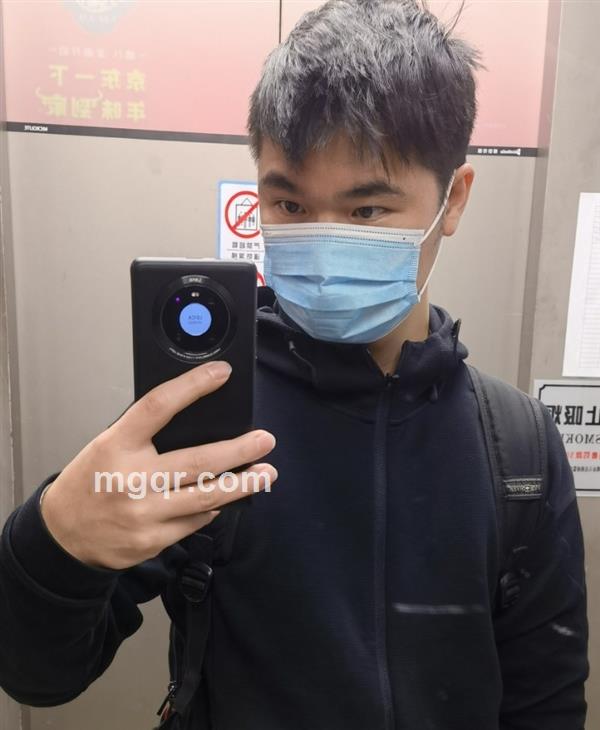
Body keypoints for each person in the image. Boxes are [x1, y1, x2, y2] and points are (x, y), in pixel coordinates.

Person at [0, 1, 589, 728]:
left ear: (455, 198)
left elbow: (546, 699)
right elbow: (39, 679)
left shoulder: (517, 448)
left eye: (367, 211)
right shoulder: (205, 417)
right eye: (289, 203)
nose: (323, 241)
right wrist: (55, 543)